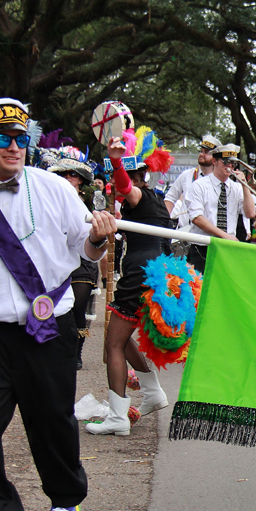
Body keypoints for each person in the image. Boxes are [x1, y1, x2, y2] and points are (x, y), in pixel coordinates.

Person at [0, 98, 116, 511]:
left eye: (21, 138)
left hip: (48, 326)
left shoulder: (53, 187)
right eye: (3, 139)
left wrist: (97, 237)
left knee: (50, 420)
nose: (15, 147)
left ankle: (65, 495)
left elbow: (85, 251)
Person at [86, 136, 174, 436]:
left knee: (112, 343)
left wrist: (115, 161)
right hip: (155, 274)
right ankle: (152, 393)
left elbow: (125, 187)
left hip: (141, 274)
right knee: (122, 339)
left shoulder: (140, 196)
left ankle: (118, 417)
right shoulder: (156, 201)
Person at [48, 156, 99, 370]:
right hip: (57, 261)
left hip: (84, 262)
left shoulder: (91, 200)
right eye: (62, 174)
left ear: (80, 180)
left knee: (78, 309)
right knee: (59, 309)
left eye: (72, 174)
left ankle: (78, 351)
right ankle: (61, 348)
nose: (67, 178)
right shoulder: (48, 198)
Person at [185, 144, 256, 273]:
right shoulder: (199, 185)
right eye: (225, 162)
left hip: (226, 248)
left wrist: (245, 186)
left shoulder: (236, 188)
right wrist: (224, 235)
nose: (229, 166)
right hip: (203, 246)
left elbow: (250, 213)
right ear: (214, 161)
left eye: (233, 163)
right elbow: (197, 218)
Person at [166, 135, 221, 228]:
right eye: (201, 151)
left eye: (206, 152)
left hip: (207, 234)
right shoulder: (187, 175)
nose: (201, 154)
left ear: (215, 158)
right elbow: (170, 198)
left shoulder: (219, 180)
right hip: (183, 232)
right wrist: (165, 220)